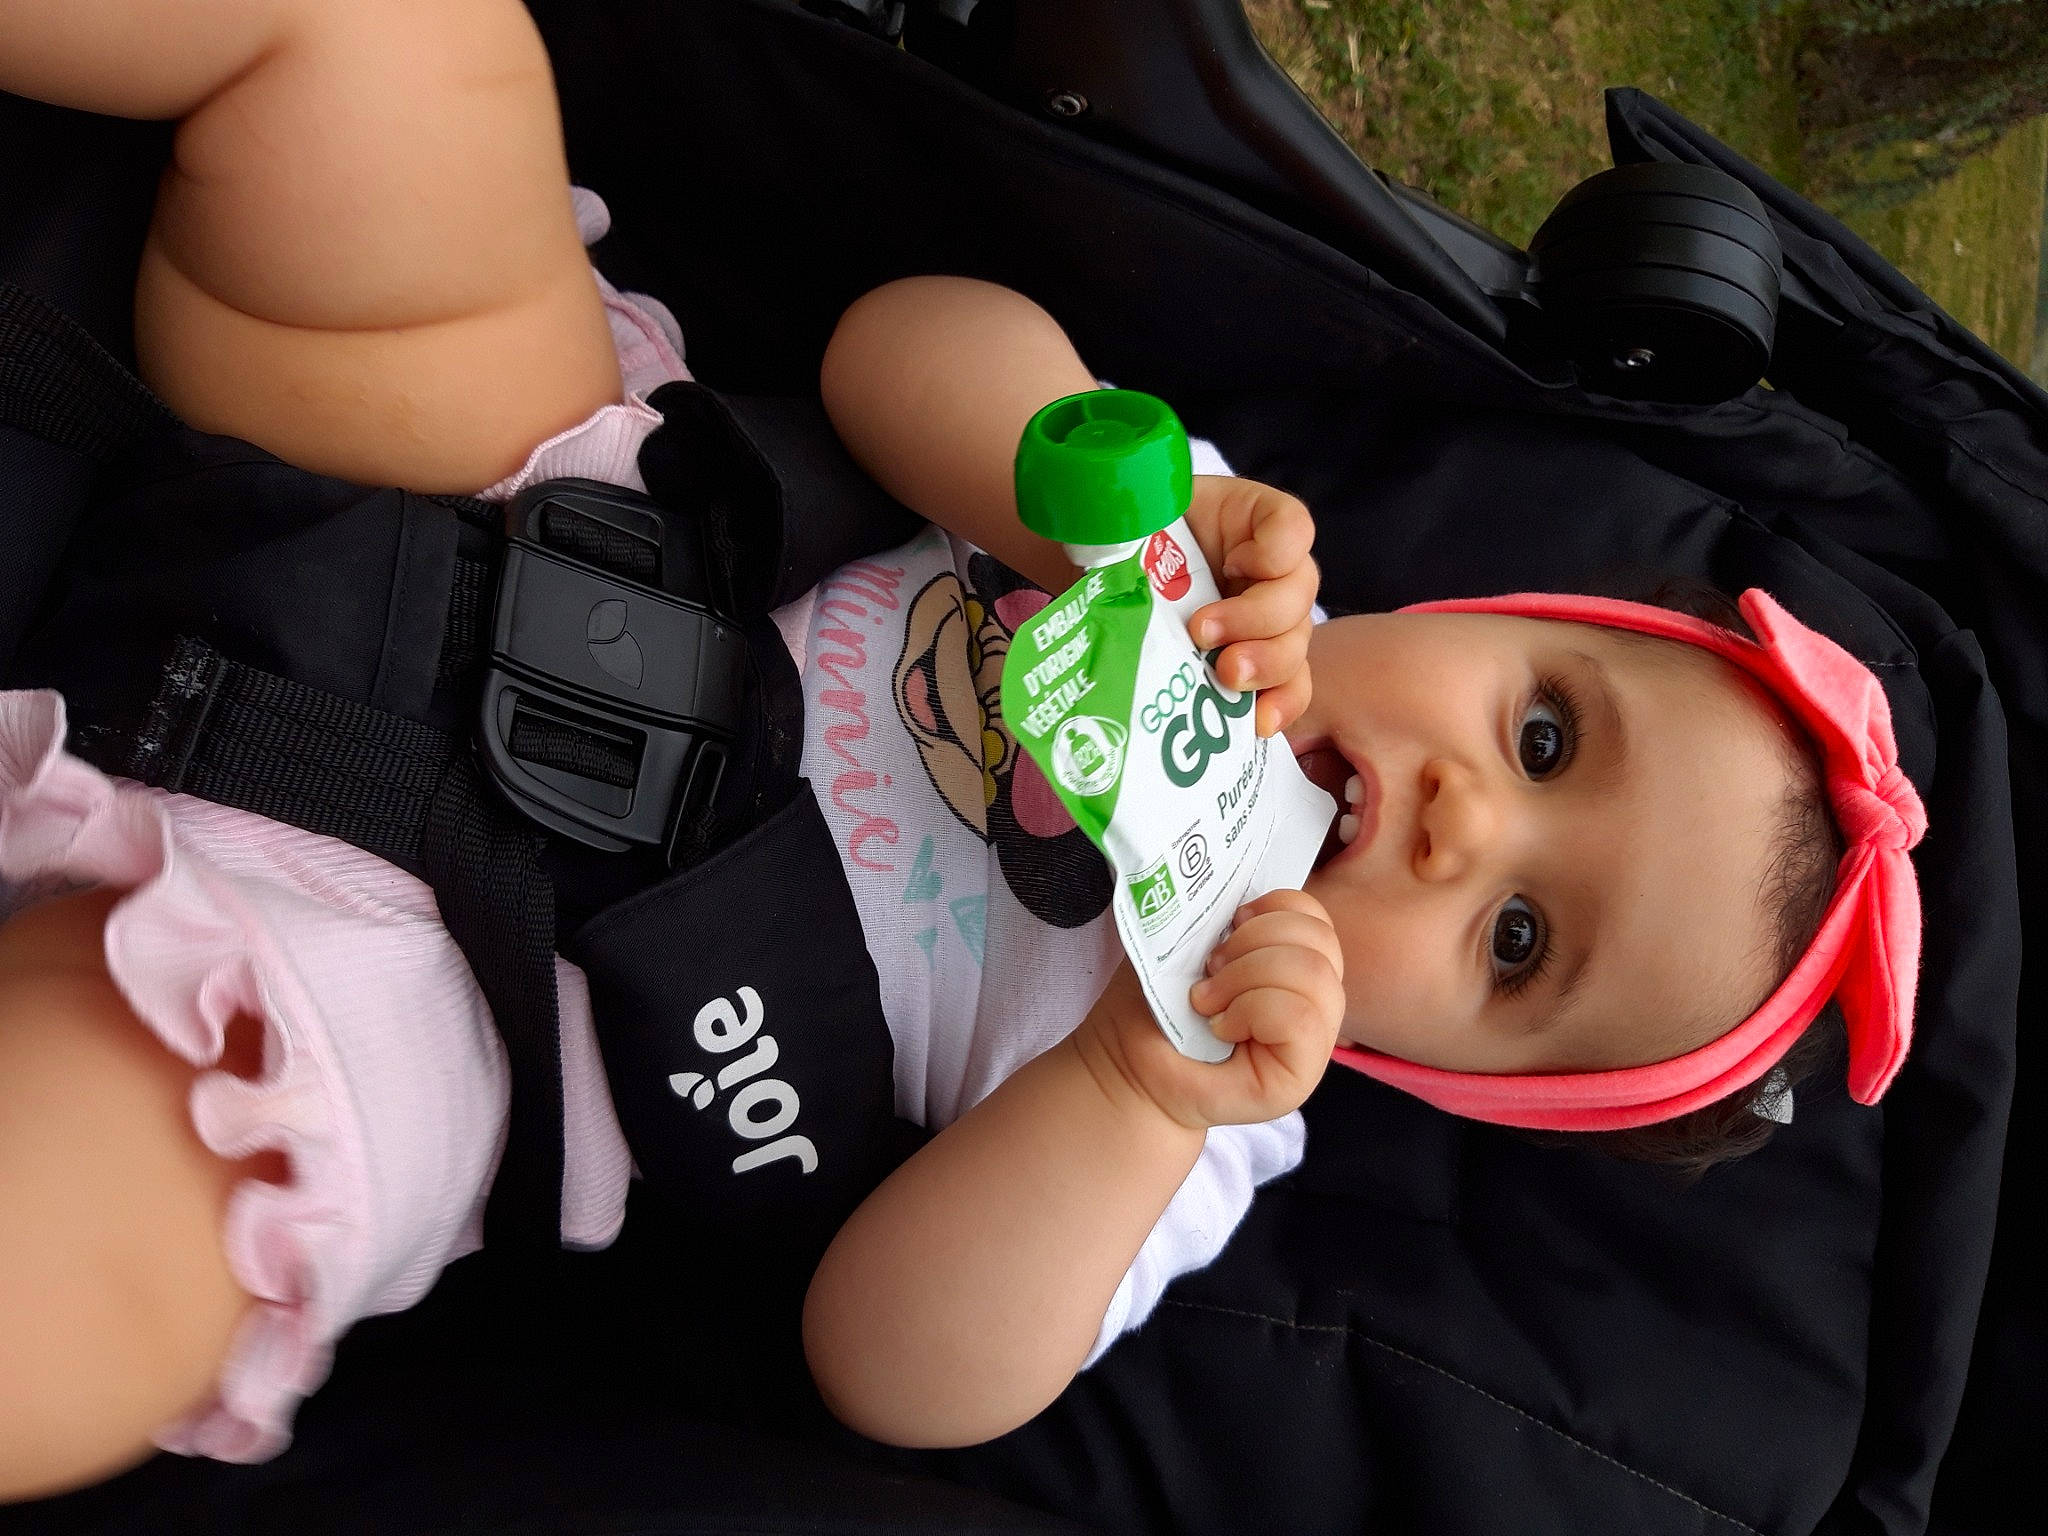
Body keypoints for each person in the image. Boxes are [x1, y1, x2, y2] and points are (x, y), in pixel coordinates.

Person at [0, 0, 1923, 1500]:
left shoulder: (1197, 1119)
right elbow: (890, 349)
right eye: (1540, 732)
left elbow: (895, 1368)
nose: (1457, 819)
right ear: (1488, 618)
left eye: (1517, 944)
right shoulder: (1201, 541)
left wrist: (1128, 1088)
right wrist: (1071, 484)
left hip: (443, 998)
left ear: (1451, 1080)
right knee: (395, 55)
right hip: (524, 488)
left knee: (80, 1264)